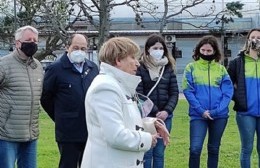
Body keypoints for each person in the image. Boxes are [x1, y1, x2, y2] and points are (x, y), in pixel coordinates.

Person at [80, 37, 170, 168]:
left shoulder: (120, 84)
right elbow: (115, 135)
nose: (137, 63)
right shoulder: (105, 87)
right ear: (118, 60)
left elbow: (124, 121)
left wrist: (150, 124)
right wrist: (147, 139)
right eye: (132, 57)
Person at [40, 34, 99, 168]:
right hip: (68, 132)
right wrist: (60, 116)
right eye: (76, 47)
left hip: (90, 129)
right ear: (67, 47)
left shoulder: (92, 68)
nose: (80, 51)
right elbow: (46, 98)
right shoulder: (55, 69)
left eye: (83, 48)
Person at [182, 35, 233, 168]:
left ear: (215, 51)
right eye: (203, 50)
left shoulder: (221, 69)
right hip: (198, 115)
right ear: (198, 50)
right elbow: (188, 90)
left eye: (209, 51)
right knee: (195, 149)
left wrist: (217, 111)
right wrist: (200, 110)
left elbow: (228, 93)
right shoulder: (190, 68)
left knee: (214, 149)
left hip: (219, 116)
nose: (205, 53)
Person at [0, 25, 43, 168]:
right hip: (7, 135)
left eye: (35, 40)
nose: (32, 43)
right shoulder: (3, 65)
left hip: (30, 135)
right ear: (17, 43)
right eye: (28, 39)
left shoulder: (37, 67)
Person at [136, 33, 179, 168]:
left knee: (160, 152)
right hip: (148, 117)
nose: (158, 51)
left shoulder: (168, 67)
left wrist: (167, 111)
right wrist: (155, 111)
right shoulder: (140, 67)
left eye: (161, 48)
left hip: (166, 117)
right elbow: (139, 93)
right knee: (148, 152)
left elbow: (174, 92)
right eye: (155, 48)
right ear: (148, 49)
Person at [227, 28, 260, 168]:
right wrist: (238, 99)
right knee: (247, 148)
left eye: (259, 37)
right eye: (253, 37)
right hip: (246, 113)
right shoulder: (237, 62)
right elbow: (227, 85)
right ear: (248, 40)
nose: (256, 40)